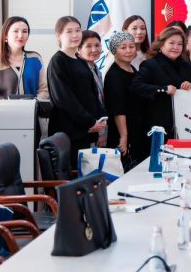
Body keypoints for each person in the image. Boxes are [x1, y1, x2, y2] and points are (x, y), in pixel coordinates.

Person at [47, 16, 106, 165]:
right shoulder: (58, 61)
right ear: (59, 35)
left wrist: (100, 119)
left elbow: (92, 94)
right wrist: (90, 121)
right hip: (68, 133)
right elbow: (64, 99)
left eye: (78, 30)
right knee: (73, 174)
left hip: (86, 131)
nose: (75, 35)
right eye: (69, 31)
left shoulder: (81, 61)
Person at [130, 27, 191, 141]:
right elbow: (135, 86)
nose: (176, 47)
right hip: (159, 126)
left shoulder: (187, 66)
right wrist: (163, 89)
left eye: (179, 44)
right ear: (161, 45)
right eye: (171, 43)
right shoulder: (151, 64)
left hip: (184, 124)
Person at [102, 31, 144, 167]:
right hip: (122, 133)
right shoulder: (114, 76)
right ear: (114, 50)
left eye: (131, 46)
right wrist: (124, 136)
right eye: (123, 47)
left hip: (135, 129)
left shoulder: (132, 68)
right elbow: (118, 110)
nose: (128, 51)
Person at [0, 16, 48, 100]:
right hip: (4, 108)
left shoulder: (35, 58)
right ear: (5, 35)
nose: (20, 35)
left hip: (32, 108)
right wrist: (10, 106)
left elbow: (44, 90)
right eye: (15, 31)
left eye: (24, 31)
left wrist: (33, 104)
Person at [77, 31, 106, 147]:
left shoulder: (96, 68)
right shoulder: (80, 70)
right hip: (87, 129)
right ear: (79, 49)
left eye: (97, 45)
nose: (94, 50)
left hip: (98, 128)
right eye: (88, 46)